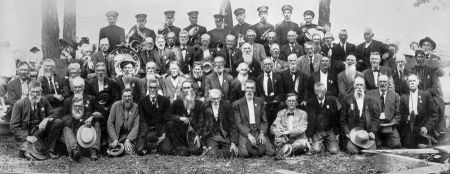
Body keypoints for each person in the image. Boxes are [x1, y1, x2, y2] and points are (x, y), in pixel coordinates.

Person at [10, 80, 63, 159]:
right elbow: (13, 127)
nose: (35, 95)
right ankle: (28, 148)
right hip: (27, 133)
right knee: (37, 152)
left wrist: (46, 120)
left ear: (41, 92)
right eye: (33, 92)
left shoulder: (43, 100)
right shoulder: (19, 104)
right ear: (28, 91)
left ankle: (50, 150)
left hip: (39, 132)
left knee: (58, 122)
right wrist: (27, 137)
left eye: (38, 92)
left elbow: (55, 113)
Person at [233, 80, 275, 157]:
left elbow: (264, 121)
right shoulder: (237, 104)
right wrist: (248, 135)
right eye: (247, 87)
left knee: (271, 152)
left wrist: (262, 133)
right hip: (245, 132)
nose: (249, 90)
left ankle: (257, 149)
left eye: (252, 88)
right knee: (244, 154)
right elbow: (238, 124)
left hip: (258, 131)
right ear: (244, 88)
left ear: (255, 89)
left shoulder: (260, 101)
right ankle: (251, 149)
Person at [340, 77, 380, 153]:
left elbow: (376, 119)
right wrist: (348, 132)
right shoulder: (347, 99)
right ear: (354, 86)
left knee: (371, 151)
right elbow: (343, 120)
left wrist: (372, 131)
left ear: (364, 87)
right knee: (354, 151)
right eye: (357, 85)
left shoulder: (371, 100)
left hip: (366, 135)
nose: (359, 87)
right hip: (353, 135)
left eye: (361, 85)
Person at [399, 74, 437, 148]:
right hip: (410, 125)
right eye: (410, 81)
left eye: (414, 81)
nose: (412, 83)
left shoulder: (426, 95)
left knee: (423, 143)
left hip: (422, 124)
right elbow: (400, 114)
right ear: (407, 84)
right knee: (408, 144)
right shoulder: (404, 97)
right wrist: (407, 118)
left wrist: (426, 127)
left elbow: (433, 114)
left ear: (418, 82)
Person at [166, 81, 203, 156]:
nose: (187, 90)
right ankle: (181, 148)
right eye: (185, 88)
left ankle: (184, 150)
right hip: (180, 132)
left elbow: (202, 121)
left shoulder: (199, 104)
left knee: (196, 150)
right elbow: (170, 115)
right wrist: (179, 118)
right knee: (171, 124)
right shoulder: (177, 102)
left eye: (189, 87)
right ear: (182, 90)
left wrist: (198, 135)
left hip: (193, 132)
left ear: (193, 89)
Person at [199, 89, 239, 157]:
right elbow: (201, 122)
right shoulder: (204, 106)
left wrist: (233, 142)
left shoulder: (227, 106)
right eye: (214, 99)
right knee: (211, 154)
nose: (216, 101)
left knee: (233, 152)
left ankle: (217, 153)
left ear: (220, 97)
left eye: (217, 98)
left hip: (224, 135)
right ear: (210, 98)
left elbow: (232, 125)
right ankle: (214, 152)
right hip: (211, 136)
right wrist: (198, 134)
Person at [136, 79, 171, 155]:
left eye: (155, 88)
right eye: (150, 87)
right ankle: (151, 145)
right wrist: (146, 136)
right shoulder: (142, 101)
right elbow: (143, 120)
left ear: (158, 88)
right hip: (148, 130)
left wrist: (164, 135)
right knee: (140, 150)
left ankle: (156, 146)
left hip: (161, 130)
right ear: (148, 88)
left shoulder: (165, 100)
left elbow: (167, 119)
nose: (152, 90)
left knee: (167, 150)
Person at [366, 75, 401, 149]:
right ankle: (379, 140)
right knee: (374, 146)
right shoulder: (369, 94)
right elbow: (367, 113)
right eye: (380, 81)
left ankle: (384, 139)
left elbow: (398, 115)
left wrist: (391, 124)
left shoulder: (395, 96)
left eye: (385, 81)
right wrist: (371, 128)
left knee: (396, 144)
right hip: (374, 126)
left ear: (388, 83)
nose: (382, 83)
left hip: (389, 125)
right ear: (377, 83)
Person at [271, 93, 309, 158]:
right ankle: (287, 150)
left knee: (303, 144)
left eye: (293, 101)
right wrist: (276, 130)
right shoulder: (281, 113)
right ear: (286, 102)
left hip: (298, 139)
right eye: (289, 101)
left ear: (297, 102)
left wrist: (288, 132)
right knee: (278, 139)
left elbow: (302, 128)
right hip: (284, 139)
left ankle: (286, 149)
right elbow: (275, 124)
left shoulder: (303, 113)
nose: (291, 103)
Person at [305, 83, 340, 154]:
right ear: (315, 92)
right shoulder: (310, 102)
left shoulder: (332, 100)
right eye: (317, 91)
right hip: (317, 132)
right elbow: (309, 120)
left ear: (325, 91)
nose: (320, 93)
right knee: (316, 150)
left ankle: (326, 143)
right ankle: (321, 143)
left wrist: (337, 133)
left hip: (329, 131)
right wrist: (309, 136)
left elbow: (336, 118)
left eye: (322, 91)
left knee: (334, 151)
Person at [107, 88, 140, 155]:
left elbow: (136, 126)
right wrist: (115, 139)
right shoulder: (115, 105)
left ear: (132, 97)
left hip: (129, 135)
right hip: (117, 135)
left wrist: (129, 139)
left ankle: (125, 146)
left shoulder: (136, 108)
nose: (127, 98)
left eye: (129, 96)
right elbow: (110, 123)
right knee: (114, 150)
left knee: (128, 151)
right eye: (125, 96)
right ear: (122, 97)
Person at [256, 58, 284, 127]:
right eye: (265, 64)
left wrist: (276, 99)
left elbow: (281, 91)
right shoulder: (259, 78)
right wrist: (263, 101)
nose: (267, 66)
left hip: (276, 101)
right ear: (262, 66)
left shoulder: (278, 77)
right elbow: (259, 92)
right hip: (265, 101)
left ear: (272, 66)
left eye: (269, 64)